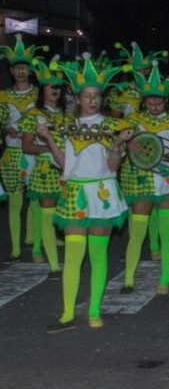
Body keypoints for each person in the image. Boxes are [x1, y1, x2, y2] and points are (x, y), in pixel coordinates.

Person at [38, 54, 132, 332]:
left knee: (98, 254)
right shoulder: (67, 127)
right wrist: (48, 139)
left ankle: (94, 310)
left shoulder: (112, 126)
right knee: (74, 255)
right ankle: (67, 314)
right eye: (87, 96)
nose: (93, 100)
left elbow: (112, 167)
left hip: (102, 193)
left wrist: (117, 144)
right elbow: (65, 165)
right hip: (76, 193)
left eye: (97, 96)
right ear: (78, 99)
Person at [119, 62, 169, 295]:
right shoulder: (133, 120)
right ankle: (128, 278)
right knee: (137, 232)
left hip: (166, 178)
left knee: (166, 232)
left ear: (166, 101)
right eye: (150, 102)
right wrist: (129, 145)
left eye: (159, 102)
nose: (154, 106)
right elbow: (120, 143)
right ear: (144, 100)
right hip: (141, 178)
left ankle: (164, 279)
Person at [20, 56, 71, 277]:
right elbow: (27, 146)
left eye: (58, 87)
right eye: (51, 87)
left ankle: (71, 261)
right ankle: (54, 265)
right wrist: (50, 149)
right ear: (43, 89)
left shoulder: (68, 116)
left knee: (69, 217)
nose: (55, 90)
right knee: (48, 218)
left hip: (67, 171)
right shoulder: (33, 115)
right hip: (45, 172)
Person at [0, 34, 44, 261]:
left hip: (33, 152)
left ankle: (36, 247)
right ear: (11, 70)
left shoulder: (38, 95)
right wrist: (5, 129)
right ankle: (16, 248)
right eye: (16, 67)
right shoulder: (3, 96)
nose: (20, 71)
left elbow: (46, 120)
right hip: (11, 154)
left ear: (30, 70)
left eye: (24, 67)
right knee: (14, 203)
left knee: (36, 200)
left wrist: (31, 131)